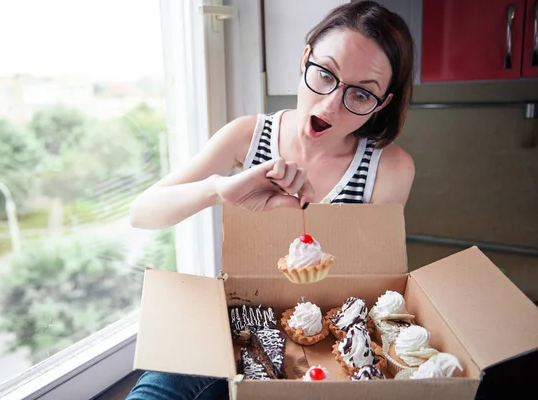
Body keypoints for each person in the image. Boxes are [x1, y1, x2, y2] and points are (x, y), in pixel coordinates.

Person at [126, 1, 415, 399]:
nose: (330, 105)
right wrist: (218, 190)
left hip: (325, 346)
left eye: (362, 94)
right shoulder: (248, 136)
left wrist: (318, 227)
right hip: (231, 320)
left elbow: (373, 282)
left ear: (381, 103)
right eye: (325, 74)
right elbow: (141, 213)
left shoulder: (389, 167)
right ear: (304, 59)